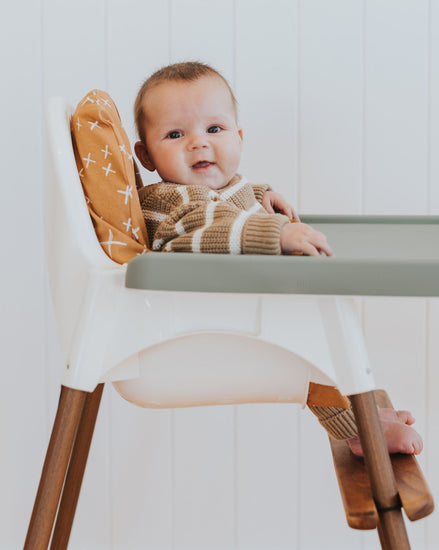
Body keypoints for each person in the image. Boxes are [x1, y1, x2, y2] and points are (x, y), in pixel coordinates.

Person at [133, 61, 423, 456]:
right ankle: (356, 429)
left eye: (214, 129)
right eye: (174, 134)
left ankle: (360, 405)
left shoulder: (218, 187)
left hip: (243, 309)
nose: (198, 143)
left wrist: (260, 194)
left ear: (239, 136)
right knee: (309, 338)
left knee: (329, 323)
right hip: (206, 326)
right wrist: (277, 233)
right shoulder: (165, 200)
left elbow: (232, 197)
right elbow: (204, 231)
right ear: (146, 155)